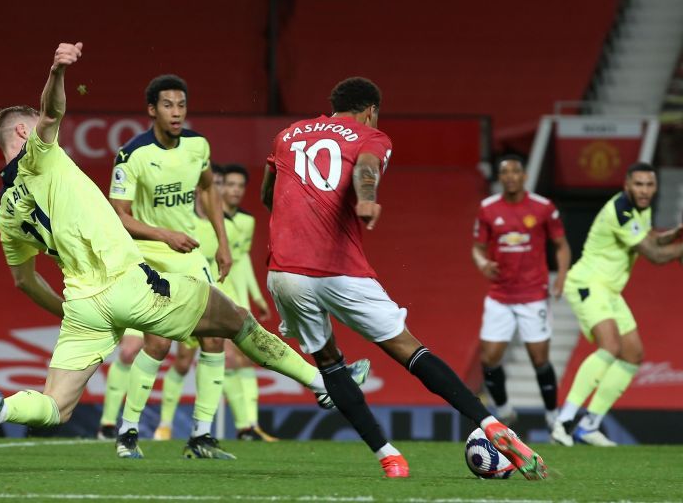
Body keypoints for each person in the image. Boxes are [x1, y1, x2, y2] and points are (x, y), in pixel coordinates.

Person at [0, 42, 368, 459]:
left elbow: (25, 280)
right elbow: (52, 113)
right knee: (237, 322)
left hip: (83, 305)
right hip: (129, 283)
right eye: (35, 126)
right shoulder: (39, 157)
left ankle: (4, 407)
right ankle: (325, 384)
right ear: (24, 133)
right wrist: (57, 71)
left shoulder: (4, 213)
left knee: (55, 407)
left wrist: (68, 311)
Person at [261, 77, 547, 480]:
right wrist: (364, 200)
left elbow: (267, 194)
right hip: (338, 268)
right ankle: (491, 424)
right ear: (370, 110)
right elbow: (365, 167)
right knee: (408, 349)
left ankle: (389, 458)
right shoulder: (371, 135)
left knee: (329, 365)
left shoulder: (287, 135)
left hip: (285, 271)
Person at [105, 74, 233, 458]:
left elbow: (208, 187)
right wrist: (164, 235)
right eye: (167, 105)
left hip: (189, 256)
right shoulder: (132, 155)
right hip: (148, 256)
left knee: (215, 336)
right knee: (158, 343)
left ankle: (202, 436)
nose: (176, 113)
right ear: (151, 110)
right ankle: (127, 432)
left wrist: (222, 243)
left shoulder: (198, 145)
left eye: (181, 105)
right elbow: (120, 216)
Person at [551, 162, 683, 446]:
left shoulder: (640, 209)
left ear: (655, 186)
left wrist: (674, 234)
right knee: (610, 347)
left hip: (609, 290)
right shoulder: (620, 209)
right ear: (627, 185)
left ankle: (590, 424)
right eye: (639, 184)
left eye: (649, 184)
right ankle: (563, 421)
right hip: (588, 283)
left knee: (633, 355)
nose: (644, 190)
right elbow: (654, 256)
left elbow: (650, 240)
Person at [472, 154, 570, 428]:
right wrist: (483, 263)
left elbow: (561, 245)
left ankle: (552, 416)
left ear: (524, 176)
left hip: (533, 295)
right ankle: (504, 412)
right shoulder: (488, 209)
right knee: (488, 358)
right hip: (500, 295)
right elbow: (478, 248)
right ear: (500, 178)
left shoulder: (543, 208)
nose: (511, 176)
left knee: (539, 359)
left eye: (516, 171)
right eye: (505, 172)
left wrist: (561, 277)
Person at [219, 164, 277, 441]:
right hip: (215, 294)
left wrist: (255, 297)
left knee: (243, 359)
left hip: (238, 297)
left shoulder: (247, 221)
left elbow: (241, 262)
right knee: (225, 358)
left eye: (240, 186)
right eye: (229, 184)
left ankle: (249, 425)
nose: (235, 190)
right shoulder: (206, 221)